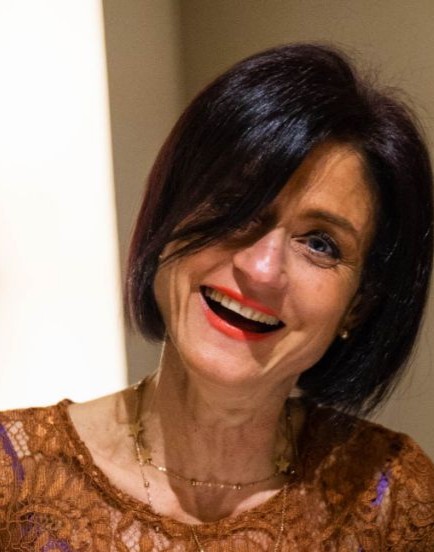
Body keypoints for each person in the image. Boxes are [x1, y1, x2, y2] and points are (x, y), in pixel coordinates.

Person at [1, 43, 434, 551]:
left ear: (358, 305)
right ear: (167, 219)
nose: (261, 269)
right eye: (238, 205)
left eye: (320, 244)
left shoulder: (392, 504)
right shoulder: (14, 482)